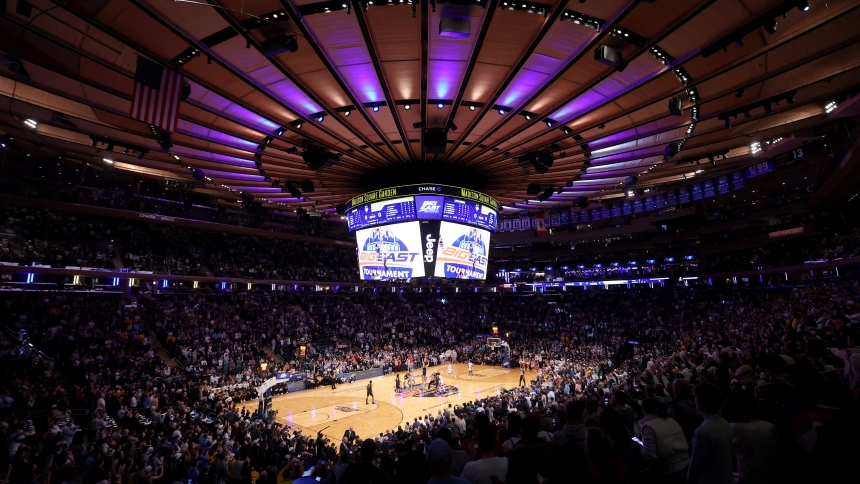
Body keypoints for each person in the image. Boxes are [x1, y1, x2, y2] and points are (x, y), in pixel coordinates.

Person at [687, 383, 733, 484]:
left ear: (701, 401)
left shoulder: (702, 432)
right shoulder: (724, 422)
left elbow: (696, 465)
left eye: (696, 397)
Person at [639, 398, 689, 483]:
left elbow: (650, 456)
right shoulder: (671, 420)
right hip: (687, 464)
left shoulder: (648, 426)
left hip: (670, 471)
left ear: (644, 410)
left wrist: (641, 446)